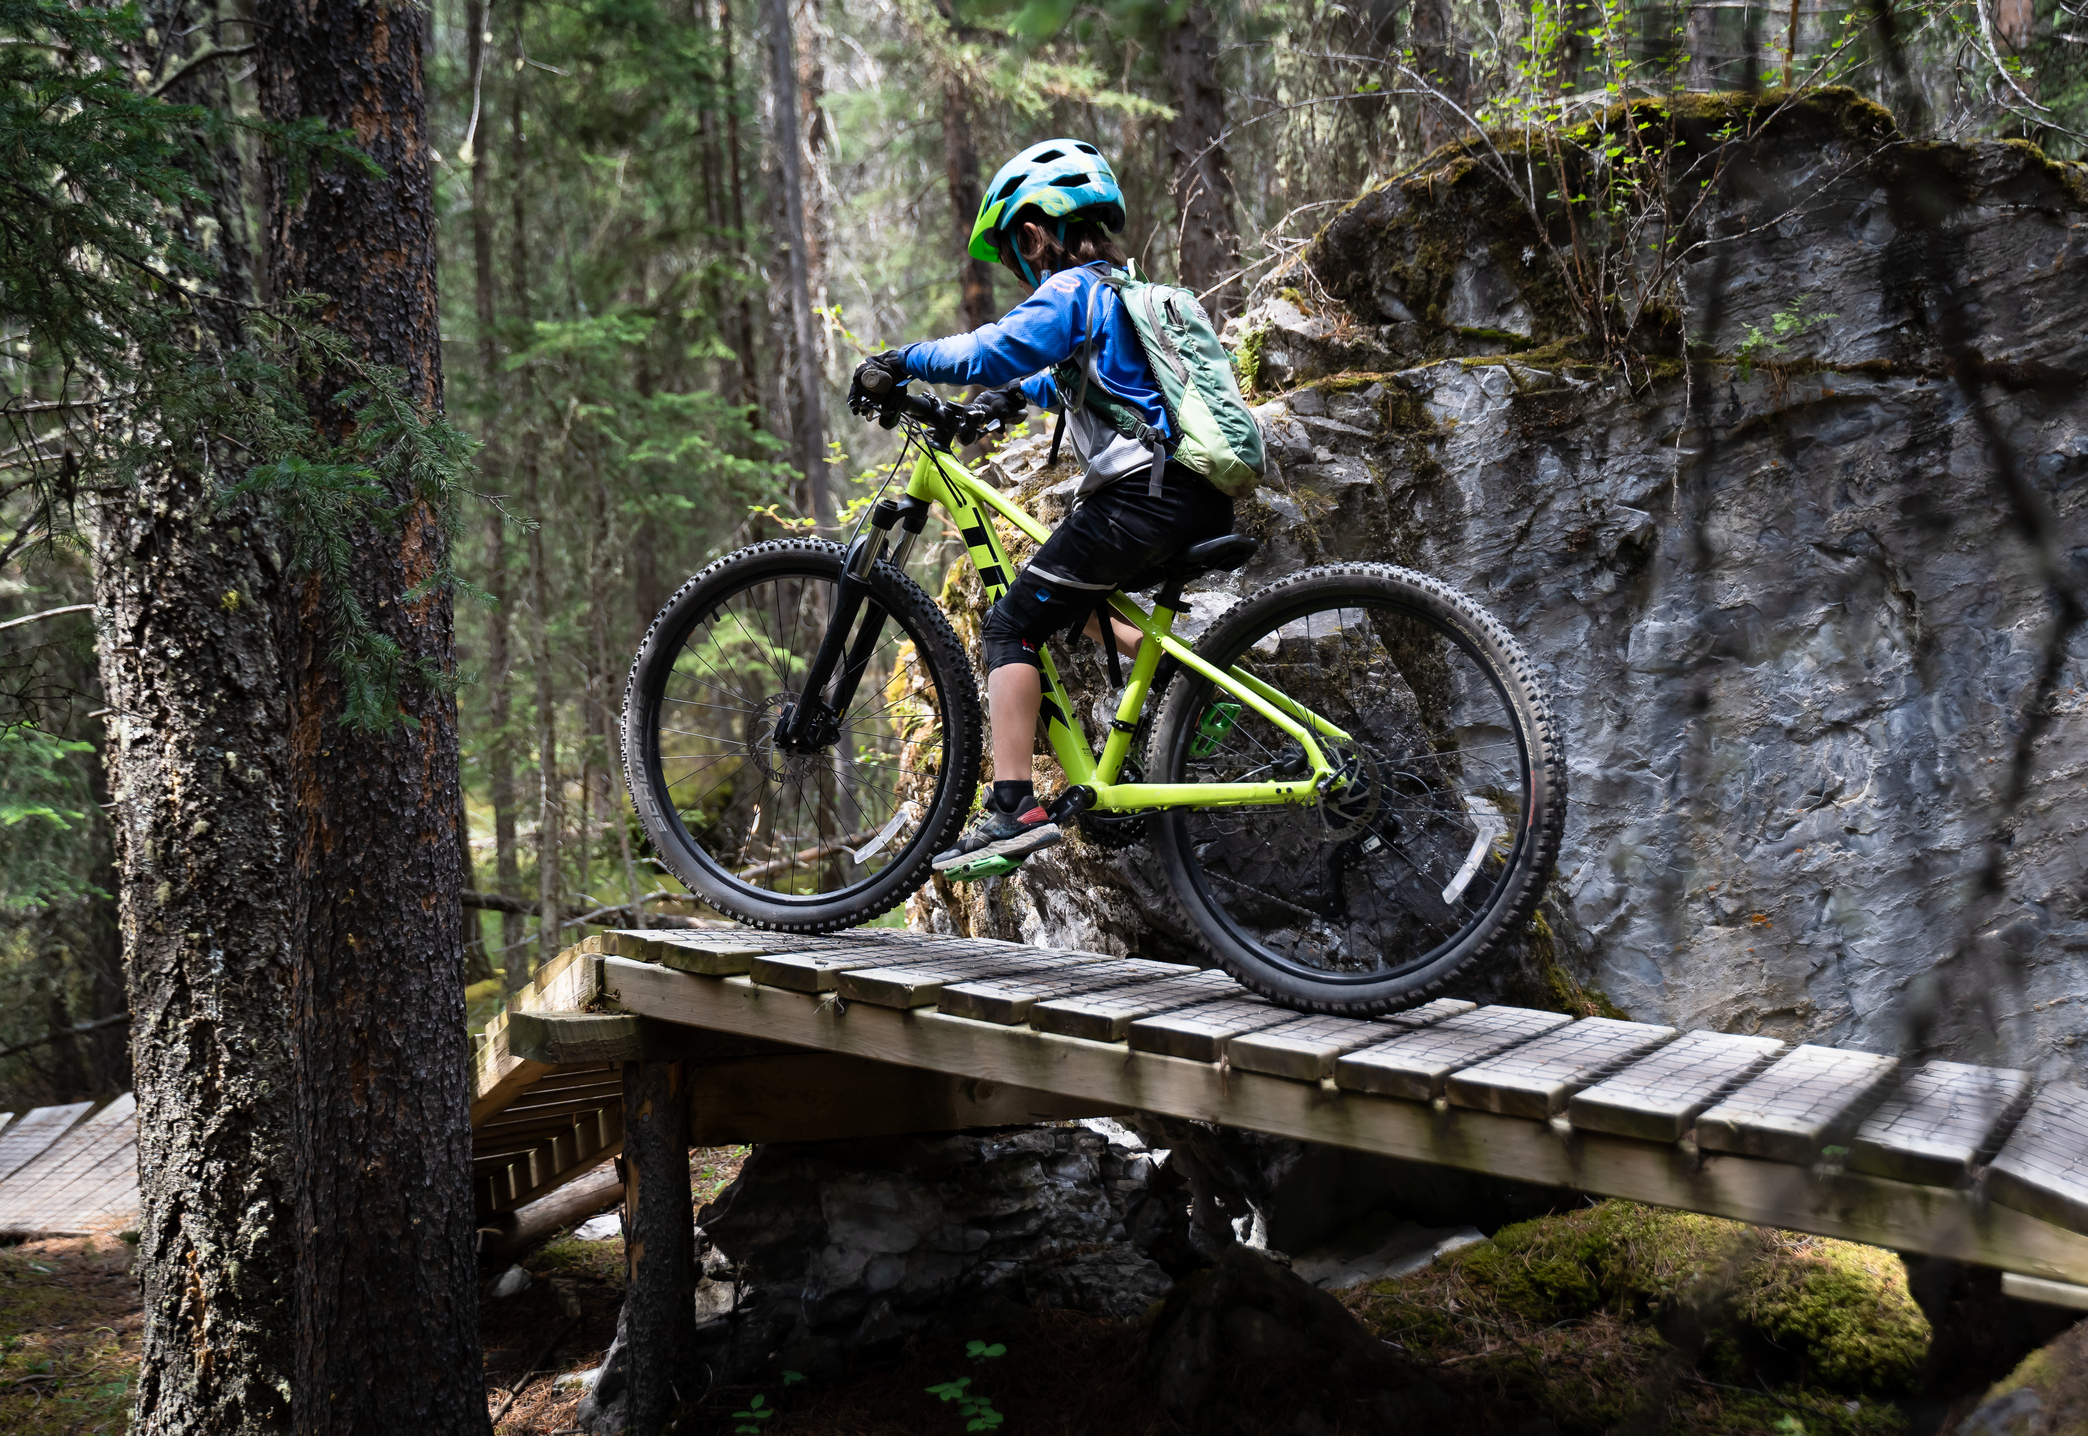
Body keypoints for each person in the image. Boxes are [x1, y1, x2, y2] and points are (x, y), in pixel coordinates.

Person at [846, 139, 1237, 877]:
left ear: (1034, 233)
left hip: (1141, 499)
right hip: (1191, 495)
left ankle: (1014, 809)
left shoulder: (1069, 291)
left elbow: (993, 350)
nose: (1019, 267)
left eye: (1015, 252)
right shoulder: (1119, 290)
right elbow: (1070, 383)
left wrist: (902, 360)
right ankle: (1192, 678)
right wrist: (996, 406)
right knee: (1064, 597)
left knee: (1011, 621)